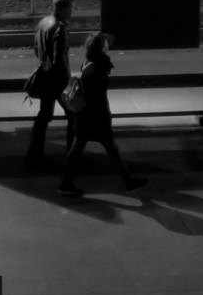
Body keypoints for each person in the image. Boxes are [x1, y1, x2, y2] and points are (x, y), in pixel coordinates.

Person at [59, 30, 147, 198]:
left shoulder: (88, 61)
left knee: (77, 149)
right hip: (96, 116)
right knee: (111, 149)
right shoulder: (99, 67)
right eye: (105, 43)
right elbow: (96, 94)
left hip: (85, 114)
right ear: (101, 47)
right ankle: (129, 182)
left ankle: (65, 183)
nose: (108, 45)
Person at [25, 0, 75, 167]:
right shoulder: (60, 28)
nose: (72, 12)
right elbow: (59, 58)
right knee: (74, 116)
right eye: (71, 8)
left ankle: (34, 155)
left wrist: (44, 64)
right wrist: (67, 82)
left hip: (45, 77)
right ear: (64, 8)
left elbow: (37, 49)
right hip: (58, 80)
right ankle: (72, 156)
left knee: (43, 116)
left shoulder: (43, 23)